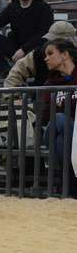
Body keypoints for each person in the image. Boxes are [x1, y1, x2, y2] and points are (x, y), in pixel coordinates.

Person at [38, 39, 77, 196]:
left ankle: (69, 190)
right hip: (52, 130)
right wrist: (70, 104)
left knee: (62, 142)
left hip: (67, 134)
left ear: (65, 54)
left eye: (50, 54)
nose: (46, 59)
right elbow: (46, 113)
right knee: (60, 118)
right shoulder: (49, 83)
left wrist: (62, 103)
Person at [4, 20, 77, 90]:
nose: (51, 43)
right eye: (50, 40)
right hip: (42, 96)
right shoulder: (38, 55)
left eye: (56, 41)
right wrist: (12, 96)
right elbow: (17, 72)